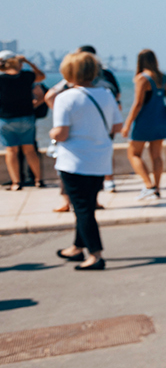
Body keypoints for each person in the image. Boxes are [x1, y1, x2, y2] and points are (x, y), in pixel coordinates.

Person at [50, 51, 122, 271]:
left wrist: (52, 134)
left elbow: (61, 133)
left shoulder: (66, 98)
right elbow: (117, 126)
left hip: (74, 161)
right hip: (99, 159)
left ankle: (95, 254)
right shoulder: (106, 94)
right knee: (87, 205)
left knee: (82, 209)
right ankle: (76, 247)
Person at [121, 49, 166, 202]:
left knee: (134, 153)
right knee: (156, 155)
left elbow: (137, 103)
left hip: (145, 120)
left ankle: (148, 185)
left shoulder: (142, 78)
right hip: (161, 119)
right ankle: (157, 187)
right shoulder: (164, 78)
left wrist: (127, 124)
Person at [0, 51, 45, 191]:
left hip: (6, 119)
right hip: (27, 117)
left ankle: (16, 182)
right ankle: (38, 180)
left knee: (11, 151)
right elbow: (41, 76)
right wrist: (28, 62)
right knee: (30, 150)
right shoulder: (26, 76)